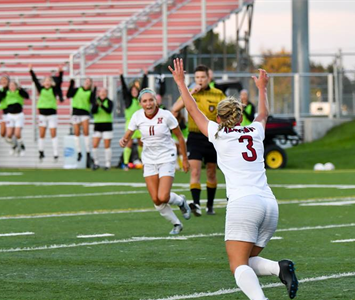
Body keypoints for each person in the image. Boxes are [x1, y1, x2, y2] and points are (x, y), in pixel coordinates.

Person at [170, 59, 298, 300]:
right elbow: (262, 113)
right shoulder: (255, 131)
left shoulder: (218, 134)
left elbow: (192, 109)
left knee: (238, 265)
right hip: (270, 204)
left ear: (219, 118)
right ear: (240, 118)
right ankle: (278, 268)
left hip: (244, 203)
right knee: (246, 259)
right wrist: (262, 88)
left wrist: (180, 83)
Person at [119, 88, 191, 235]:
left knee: (163, 196)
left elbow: (180, 137)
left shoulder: (166, 115)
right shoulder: (137, 116)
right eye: (144, 101)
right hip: (149, 160)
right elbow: (128, 134)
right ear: (140, 104)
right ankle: (176, 223)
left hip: (166, 158)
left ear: (156, 101)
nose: (148, 103)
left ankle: (181, 202)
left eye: (151, 100)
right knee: (156, 200)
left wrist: (185, 159)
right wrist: (124, 139)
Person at [171, 64, 226, 216]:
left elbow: (227, 113)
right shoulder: (190, 93)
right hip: (195, 136)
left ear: (209, 78)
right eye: (197, 78)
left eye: (203, 77)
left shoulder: (218, 94)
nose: (200, 80)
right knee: (194, 171)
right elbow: (175, 108)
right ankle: (196, 204)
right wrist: (190, 92)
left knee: (211, 172)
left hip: (212, 137)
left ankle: (210, 205)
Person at [30, 65, 64, 161]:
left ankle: (55, 153)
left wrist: (60, 72)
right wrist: (31, 70)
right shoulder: (41, 90)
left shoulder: (54, 90)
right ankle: (41, 152)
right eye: (46, 81)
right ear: (43, 83)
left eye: (49, 80)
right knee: (42, 134)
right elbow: (35, 80)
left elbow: (60, 82)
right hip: (42, 115)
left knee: (53, 133)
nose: (47, 82)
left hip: (52, 115)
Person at [0, 80, 30, 156]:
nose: (12, 87)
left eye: (13, 85)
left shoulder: (19, 92)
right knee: (9, 135)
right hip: (10, 116)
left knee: (17, 134)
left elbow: (27, 96)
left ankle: (22, 146)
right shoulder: (6, 93)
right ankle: (14, 145)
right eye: (10, 86)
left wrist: (20, 88)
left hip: (19, 115)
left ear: (16, 86)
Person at [120, 70, 148, 170]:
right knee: (129, 142)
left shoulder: (140, 100)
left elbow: (144, 88)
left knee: (141, 142)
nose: (134, 92)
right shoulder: (128, 100)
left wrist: (145, 75)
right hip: (130, 123)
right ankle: (125, 163)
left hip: (141, 124)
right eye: (132, 91)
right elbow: (123, 89)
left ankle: (142, 161)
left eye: (135, 90)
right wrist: (121, 76)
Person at [67, 77, 95, 168]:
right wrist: (71, 83)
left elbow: (92, 101)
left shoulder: (90, 92)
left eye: (89, 82)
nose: (87, 83)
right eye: (86, 81)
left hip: (85, 114)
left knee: (86, 132)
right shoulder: (77, 90)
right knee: (76, 133)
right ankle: (79, 152)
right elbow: (68, 94)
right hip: (75, 113)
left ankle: (87, 152)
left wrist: (94, 91)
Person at [91, 87, 113, 171]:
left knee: (107, 146)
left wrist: (102, 105)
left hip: (107, 126)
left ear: (106, 93)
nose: (102, 93)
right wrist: (97, 105)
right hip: (97, 126)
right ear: (99, 93)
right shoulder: (95, 102)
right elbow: (93, 111)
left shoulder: (110, 102)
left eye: (104, 92)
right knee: (95, 145)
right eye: (101, 92)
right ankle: (96, 163)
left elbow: (109, 111)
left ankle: (108, 163)